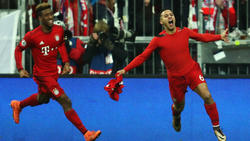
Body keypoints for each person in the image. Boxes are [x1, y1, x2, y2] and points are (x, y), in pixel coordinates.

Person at [117, 9, 228, 141]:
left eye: (171, 15)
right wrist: (125, 69)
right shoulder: (158, 40)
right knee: (179, 107)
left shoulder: (184, 31)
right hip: (175, 79)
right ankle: (176, 116)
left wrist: (219, 36)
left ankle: (216, 127)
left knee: (208, 96)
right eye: (166, 15)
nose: (170, 17)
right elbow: (142, 57)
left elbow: (202, 37)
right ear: (161, 22)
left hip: (192, 71)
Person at [10, 3, 101, 141]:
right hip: (42, 75)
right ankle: (86, 134)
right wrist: (21, 69)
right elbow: (18, 49)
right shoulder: (32, 36)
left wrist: (65, 62)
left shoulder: (58, 30)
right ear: (40, 18)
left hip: (53, 73)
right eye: (46, 15)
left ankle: (19, 105)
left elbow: (60, 45)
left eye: (51, 14)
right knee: (66, 101)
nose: (50, 17)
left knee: (43, 99)